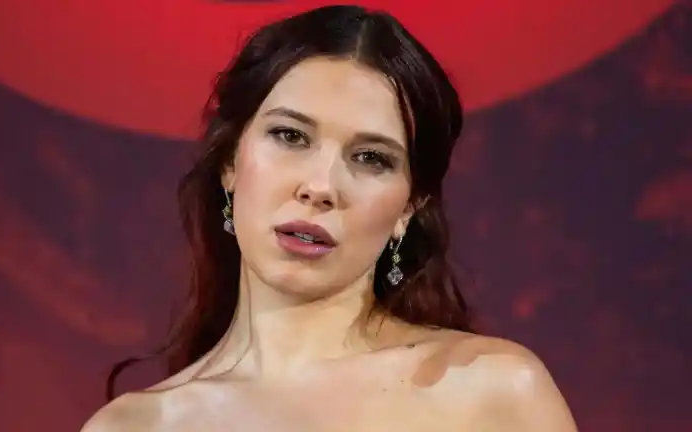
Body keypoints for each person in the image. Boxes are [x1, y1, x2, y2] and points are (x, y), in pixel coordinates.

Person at [82, 5, 577, 431]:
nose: (320, 187)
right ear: (230, 161)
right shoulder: (134, 425)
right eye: (291, 136)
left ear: (410, 206)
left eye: (371, 158)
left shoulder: (491, 392)